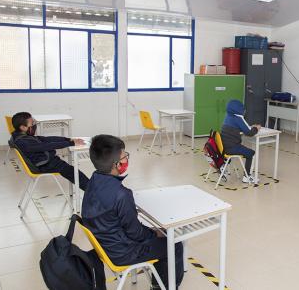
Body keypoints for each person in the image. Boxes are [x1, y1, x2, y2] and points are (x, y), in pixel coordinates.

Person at [81, 134, 183, 290]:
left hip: (105, 244)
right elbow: (136, 234)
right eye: (124, 156)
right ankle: (166, 286)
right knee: (174, 243)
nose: (126, 159)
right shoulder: (121, 194)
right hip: (122, 252)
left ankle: (159, 280)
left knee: (160, 235)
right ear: (116, 164)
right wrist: (155, 233)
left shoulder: (93, 180)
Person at [10, 112, 89, 190]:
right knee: (74, 173)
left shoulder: (22, 136)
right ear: (23, 127)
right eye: (32, 123)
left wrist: (68, 139)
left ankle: (91, 190)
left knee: (73, 172)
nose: (34, 125)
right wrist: (71, 143)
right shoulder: (24, 142)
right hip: (44, 165)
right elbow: (47, 146)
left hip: (44, 161)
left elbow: (46, 139)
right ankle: (93, 192)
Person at [220, 99, 261, 183]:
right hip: (233, 148)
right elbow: (249, 133)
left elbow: (238, 128)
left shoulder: (228, 116)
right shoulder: (239, 118)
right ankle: (247, 176)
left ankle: (223, 166)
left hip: (223, 148)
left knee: (242, 150)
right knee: (251, 153)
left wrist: (250, 127)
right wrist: (256, 128)